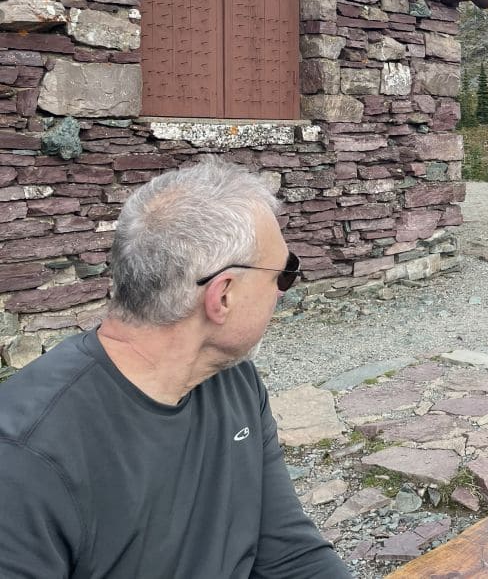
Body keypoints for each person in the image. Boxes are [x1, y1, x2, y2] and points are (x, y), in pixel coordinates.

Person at [0, 158, 351, 579]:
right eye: (283, 275)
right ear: (222, 297)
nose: (282, 293)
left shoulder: (232, 379)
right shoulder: (26, 456)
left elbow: (289, 554)